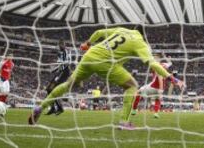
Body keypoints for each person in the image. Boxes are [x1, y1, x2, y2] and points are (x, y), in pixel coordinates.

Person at [29, 27, 184, 129]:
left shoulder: (122, 30)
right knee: (132, 86)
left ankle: (40, 107)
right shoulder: (140, 43)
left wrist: (87, 43)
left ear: (134, 29)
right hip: (105, 62)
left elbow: (99, 32)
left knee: (68, 85)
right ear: (144, 36)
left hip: (90, 54)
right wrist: (173, 79)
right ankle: (124, 121)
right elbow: (154, 64)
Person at [45, 40, 74, 115]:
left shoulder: (65, 52)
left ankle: (60, 108)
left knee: (53, 89)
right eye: (59, 45)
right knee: (48, 89)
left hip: (64, 72)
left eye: (61, 45)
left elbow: (65, 63)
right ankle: (53, 108)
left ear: (64, 45)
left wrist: (54, 69)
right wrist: (54, 69)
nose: (60, 46)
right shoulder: (60, 53)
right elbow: (59, 64)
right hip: (60, 72)